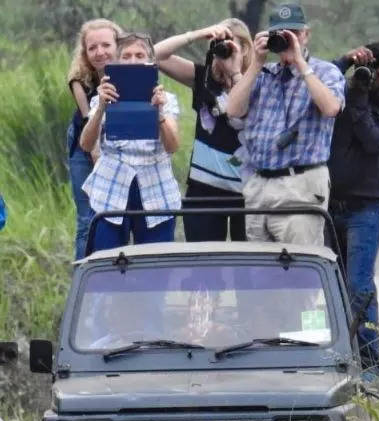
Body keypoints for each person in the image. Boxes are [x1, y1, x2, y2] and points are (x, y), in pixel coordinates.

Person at [328, 41, 379, 385]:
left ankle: (371, 367)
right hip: (329, 206)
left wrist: (358, 99)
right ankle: (334, 360)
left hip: (366, 208)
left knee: (359, 286)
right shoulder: (340, 93)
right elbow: (312, 76)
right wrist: (347, 59)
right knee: (328, 286)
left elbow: (375, 141)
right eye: (374, 73)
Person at [225, 3, 345, 245]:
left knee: (299, 271)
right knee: (261, 273)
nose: (289, 41)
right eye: (281, 35)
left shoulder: (325, 71)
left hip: (300, 186)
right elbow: (233, 110)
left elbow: (331, 108)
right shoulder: (264, 74)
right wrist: (256, 63)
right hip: (259, 185)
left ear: (306, 35)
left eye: (294, 34)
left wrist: (301, 63)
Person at [78, 32, 182, 253]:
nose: (133, 61)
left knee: (154, 266)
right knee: (107, 263)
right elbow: (86, 145)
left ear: (151, 61)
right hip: (110, 189)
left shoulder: (168, 100)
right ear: (116, 62)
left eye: (139, 55)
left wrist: (158, 113)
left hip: (157, 190)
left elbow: (173, 146)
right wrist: (101, 111)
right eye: (126, 56)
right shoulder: (102, 98)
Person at [155, 19, 254, 242]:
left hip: (248, 190)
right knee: (204, 268)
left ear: (245, 48)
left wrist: (236, 70)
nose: (223, 50)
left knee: (249, 269)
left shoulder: (260, 80)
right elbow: (153, 55)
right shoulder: (202, 77)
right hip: (204, 188)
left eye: (230, 44)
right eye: (218, 44)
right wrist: (198, 33)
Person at [65, 19, 125, 258]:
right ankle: (85, 275)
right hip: (87, 141)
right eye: (92, 48)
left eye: (106, 45)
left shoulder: (133, 71)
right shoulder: (80, 80)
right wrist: (98, 162)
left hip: (121, 142)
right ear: (85, 52)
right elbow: (90, 129)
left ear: (118, 46)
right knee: (88, 216)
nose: (100, 52)